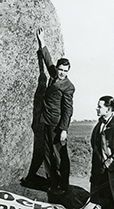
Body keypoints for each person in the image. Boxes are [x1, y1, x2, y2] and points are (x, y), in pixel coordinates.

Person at [34, 28, 75, 195]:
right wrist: (41, 41)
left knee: (59, 156)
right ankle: (52, 184)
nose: (62, 73)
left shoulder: (68, 86)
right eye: (61, 70)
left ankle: (63, 186)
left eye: (65, 71)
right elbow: (48, 60)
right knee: (48, 154)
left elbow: (68, 109)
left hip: (57, 125)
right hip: (46, 120)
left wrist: (64, 128)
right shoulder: (53, 75)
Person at [89, 95, 114, 209]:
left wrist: (106, 165)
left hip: (112, 172)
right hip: (100, 172)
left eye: (99, 106)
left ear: (108, 109)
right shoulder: (100, 124)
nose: (97, 109)